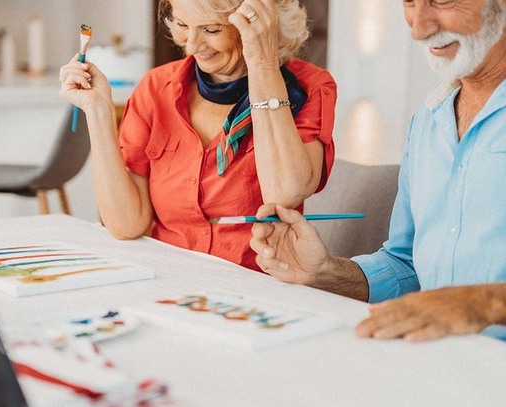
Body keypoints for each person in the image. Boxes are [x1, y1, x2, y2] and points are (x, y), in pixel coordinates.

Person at [250, 0, 506, 341]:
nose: (419, 28)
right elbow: (406, 264)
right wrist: (324, 272)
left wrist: (483, 303)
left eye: (442, 1)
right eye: (411, 3)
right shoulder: (428, 120)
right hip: (434, 363)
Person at [59, 0, 336, 272]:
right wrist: (98, 112)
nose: (191, 46)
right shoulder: (156, 88)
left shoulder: (310, 87)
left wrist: (263, 63)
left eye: (212, 30)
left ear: (261, 22)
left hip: (255, 284)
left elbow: (284, 193)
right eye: (182, 24)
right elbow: (125, 224)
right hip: (169, 276)